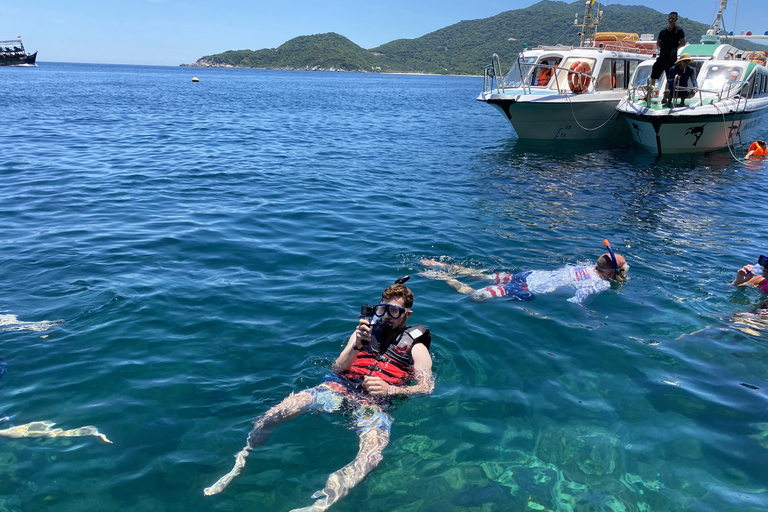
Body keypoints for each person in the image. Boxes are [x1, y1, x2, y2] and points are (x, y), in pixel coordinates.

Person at [204, 282, 434, 512]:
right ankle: (242, 457)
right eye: (382, 310)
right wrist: (356, 345)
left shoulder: (416, 347)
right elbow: (337, 368)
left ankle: (323, 502)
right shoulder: (364, 333)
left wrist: (390, 390)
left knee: (371, 456)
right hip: (340, 388)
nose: (387, 317)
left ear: (407, 314)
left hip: (375, 404)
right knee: (280, 409)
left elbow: (426, 387)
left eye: (394, 311)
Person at [420, 249, 628, 305]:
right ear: (611, 273)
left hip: (528, 275)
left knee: (482, 276)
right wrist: (588, 318)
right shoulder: (598, 284)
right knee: (476, 296)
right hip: (527, 290)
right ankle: (441, 276)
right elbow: (575, 301)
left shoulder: (583, 266)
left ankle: (442, 265)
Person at [646, 11, 687, 101]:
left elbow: (682, 43)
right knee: (653, 75)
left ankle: (665, 96)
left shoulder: (679, 30)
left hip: (672, 59)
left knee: (669, 78)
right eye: (669, 17)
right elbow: (658, 43)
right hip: (662, 58)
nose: (670, 19)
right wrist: (662, 49)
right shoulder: (663, 31)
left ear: (676, 19)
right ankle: (649, 94)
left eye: (673, 18)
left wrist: (674, 49)